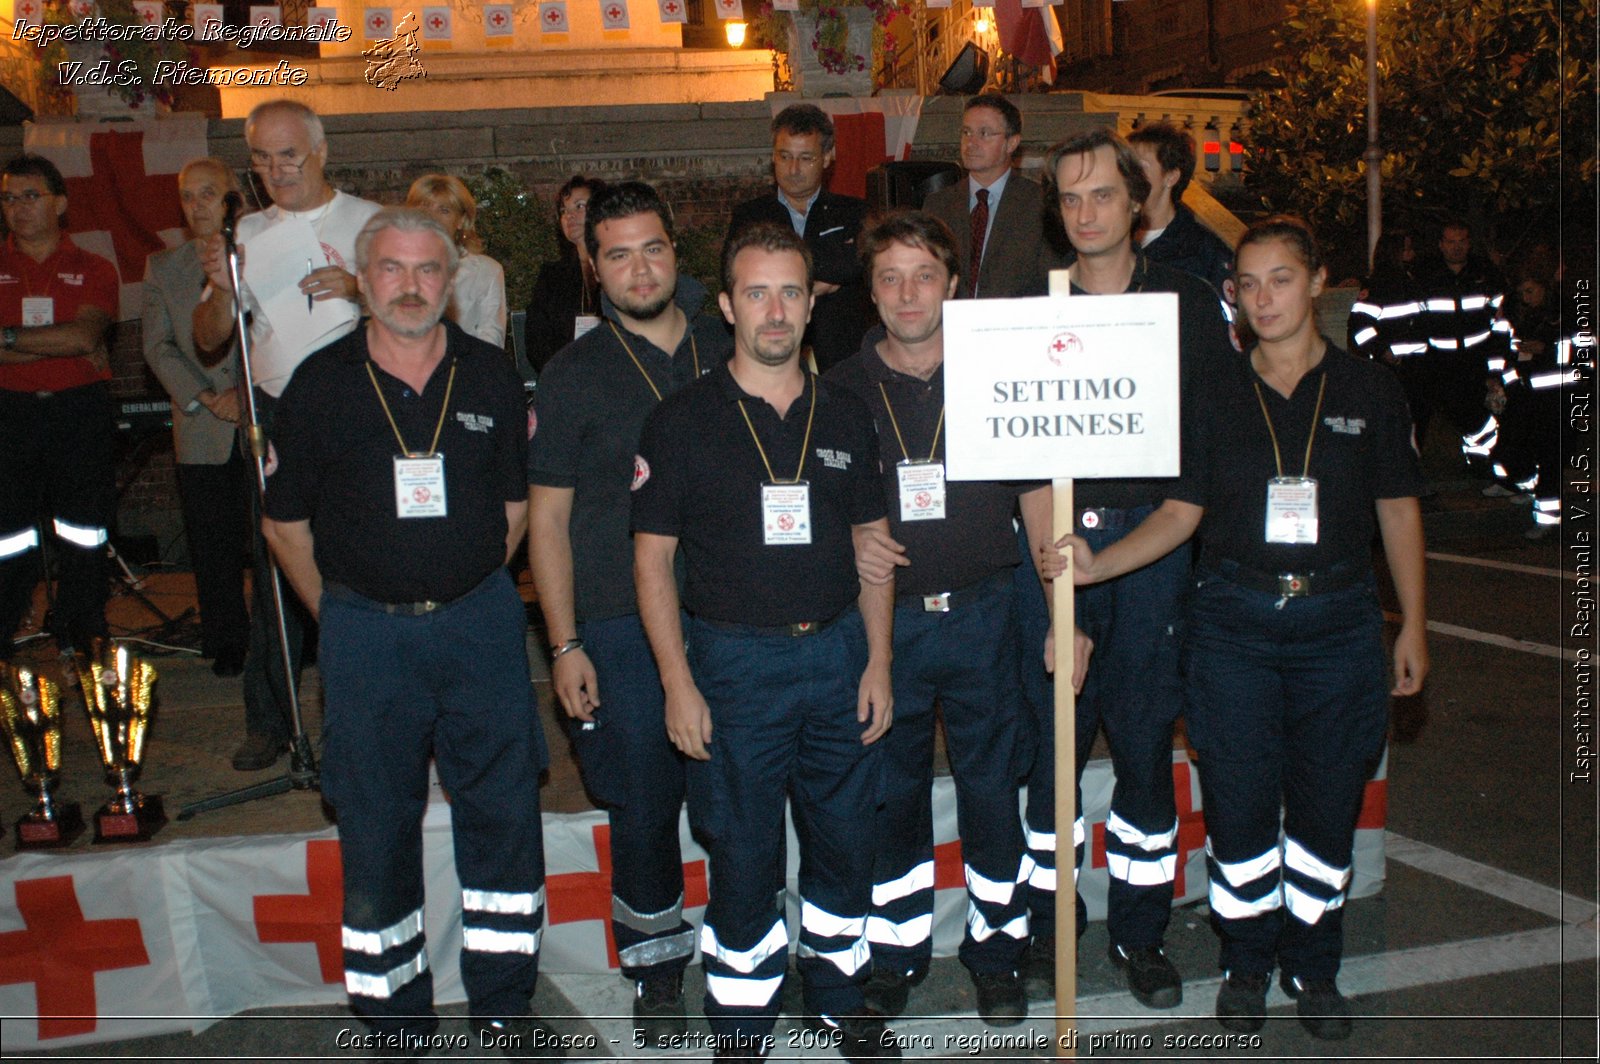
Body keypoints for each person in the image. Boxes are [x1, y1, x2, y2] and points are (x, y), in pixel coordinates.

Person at [1048, 215, 1428, 1042]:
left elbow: (1397, 510)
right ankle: (1247, 965)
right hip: (1232, 627)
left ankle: (1315, 968)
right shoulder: (1214, 392)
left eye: (1280, 279)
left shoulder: (1367, 389)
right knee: (1241, 812)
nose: (1264, 298)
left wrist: (1414, 626)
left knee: (1328, 811)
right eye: (1248, 284)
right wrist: (1094, 567)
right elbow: (1181, 512)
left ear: (1317, 281)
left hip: (1338, 622)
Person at [262, 208, 559, 1056]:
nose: (410, 286)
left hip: (480, 629)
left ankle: (505, 1005)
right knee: (376, 823)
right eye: (391, 269)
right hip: (367, 641)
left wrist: (452, 590)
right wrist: (352, 616)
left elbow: (512, 512)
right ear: (363, 279)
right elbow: (285, 528)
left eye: (428, 270)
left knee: (504, 818)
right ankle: (395, 1023)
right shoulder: (318, 387)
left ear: (451, 280)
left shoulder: (493, 376)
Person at [633, 223, 899, 1063]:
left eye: (791, 292)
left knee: (843, 838)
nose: (775, 311)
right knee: (742, 852)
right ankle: (742, 1022)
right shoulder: (681, 423)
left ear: (812, 305)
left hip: (835, 656)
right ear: (724, 306)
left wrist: (880, 662)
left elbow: (875, 547)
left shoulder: (849, 413)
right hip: (732, 665)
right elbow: (651, 563)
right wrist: (677, 682)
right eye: (757, 293)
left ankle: (837, 996)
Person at [829, 210, 1085, 1027]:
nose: (909, 293)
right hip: (887, 627)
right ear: (871, 292)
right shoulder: (837, 388)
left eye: (925, 275)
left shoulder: (998, 370)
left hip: (986, 615)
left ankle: (998, 951)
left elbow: (1038, 496)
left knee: (989, 789)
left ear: (952, 283)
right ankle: (897, 950)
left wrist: (1061, 612)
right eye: (891, 278)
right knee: (891, 792)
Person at [1027, 128, 1235, 1009]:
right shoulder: (1031, 310)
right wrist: (1060, 601)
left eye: (1102, 195)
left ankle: (1143, 935)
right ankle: (1052, 929)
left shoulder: (1186, 307)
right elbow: (1027, 468)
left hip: (1151, 556)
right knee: (1052, 764)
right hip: (1054, 554)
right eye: (1069, 199)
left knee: (1147, 756)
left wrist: (1102, 568)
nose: (1085, 214)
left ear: (1138, 203)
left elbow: (1198, 479)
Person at [527, 181, 728, 1040]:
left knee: (734, 800)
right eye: (617, 253)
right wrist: (565, 643)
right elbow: (547, 521)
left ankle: (744, 949)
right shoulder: (572, 375)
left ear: (675, 250)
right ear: (591, 264)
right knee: (644, 808)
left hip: (733, 616)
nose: (638, 268)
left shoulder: (731, 342)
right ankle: (655, 970)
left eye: (652, 248)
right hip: (616, 621)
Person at [192, 99, 381, 772]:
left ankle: (357, 712)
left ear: (321, 151)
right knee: (274, 562)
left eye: (289, 155)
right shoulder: (246, 232)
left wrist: (361, 288)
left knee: (351, 568)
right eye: (263, 159)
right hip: (275, 413)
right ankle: (270, 719)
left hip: (357, 415)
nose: (276, 170)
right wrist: (220, 287)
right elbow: (211, 338)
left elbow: (421, 301)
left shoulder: (369, 222)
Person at [0, 154, 118, 666]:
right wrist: (58, 343)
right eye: (7, 198)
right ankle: (5, 627)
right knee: (7, 532)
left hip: (77, 412)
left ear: (60, 202)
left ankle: (83, 626)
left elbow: (84, 335)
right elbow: (69, 341)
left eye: (30, 196)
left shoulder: (93, 267)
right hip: (9, 412)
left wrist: (8, 338)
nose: (18, 208)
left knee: (84, 527)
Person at [141, 158, 252, 677]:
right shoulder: (164, 268)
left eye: (209, 193)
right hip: (203, 428)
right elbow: (158, 347)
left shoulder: (263, 253)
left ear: (232, 197)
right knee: (212, 543)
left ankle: (296, 637)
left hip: (261, 420)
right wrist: (208, 396)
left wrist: (246, 393)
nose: (197, 204)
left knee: (277, 534)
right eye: (188, 196)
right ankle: (228, 641)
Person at [726, 104, 870, 373]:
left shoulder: (854, 212)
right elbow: (732, 278)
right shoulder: (750, 217)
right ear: (773, 157)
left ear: (828, 157)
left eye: (806, 158)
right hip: (768, 357)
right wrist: (830, 266)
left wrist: (781, 275)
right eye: (784, 156)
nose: (793, 169)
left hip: (842, 360)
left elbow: (862, 264)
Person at [921, 93, 1052, 301]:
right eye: (966, 132)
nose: (971, 143)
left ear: (1011, 143)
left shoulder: (1039, 204)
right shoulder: (939, 205)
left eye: (984, 133)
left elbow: (1051, 282)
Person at [1410, 218, 1512, 463]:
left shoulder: (1485, 273)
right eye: (1451, 242)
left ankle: (1481, 464)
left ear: (1469, 244)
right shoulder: (1424, 275)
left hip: (1473, 359)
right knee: (1419, 416)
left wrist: (1495, 365)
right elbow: (1414, 317)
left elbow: (1501, 319)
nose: (1456, 247)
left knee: (1475, 415)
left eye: (1461, 241)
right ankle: (1412, 471)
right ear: (1441, 245)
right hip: (1435, 360)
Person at [1127, 121, 1235, 298]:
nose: (1128, 176)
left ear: (1171, 177)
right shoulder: (1112, 241)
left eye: (1140, 167)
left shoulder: (1203, 252)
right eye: (1125, 167)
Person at [407, 173, 507, 348]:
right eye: (425, 209)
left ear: (461, 220)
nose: (433, 218)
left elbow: (492, 338)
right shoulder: (394, 268)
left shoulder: (487, 271)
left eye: (444, 210)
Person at [525, 175, 606, 374]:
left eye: (579, 206)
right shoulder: (552, 277)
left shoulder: (619, 268)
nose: (569, 216)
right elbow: (537, 340)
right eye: (563, 211)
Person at [1346, 228, 1425, 364]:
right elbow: (1359, 327)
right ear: (1394, 253)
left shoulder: (1413, 282)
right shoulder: (1379, 287)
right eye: (1407, 250)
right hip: (1390, 367)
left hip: (1415, 365)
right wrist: (1382, 352)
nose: (1412, 254)